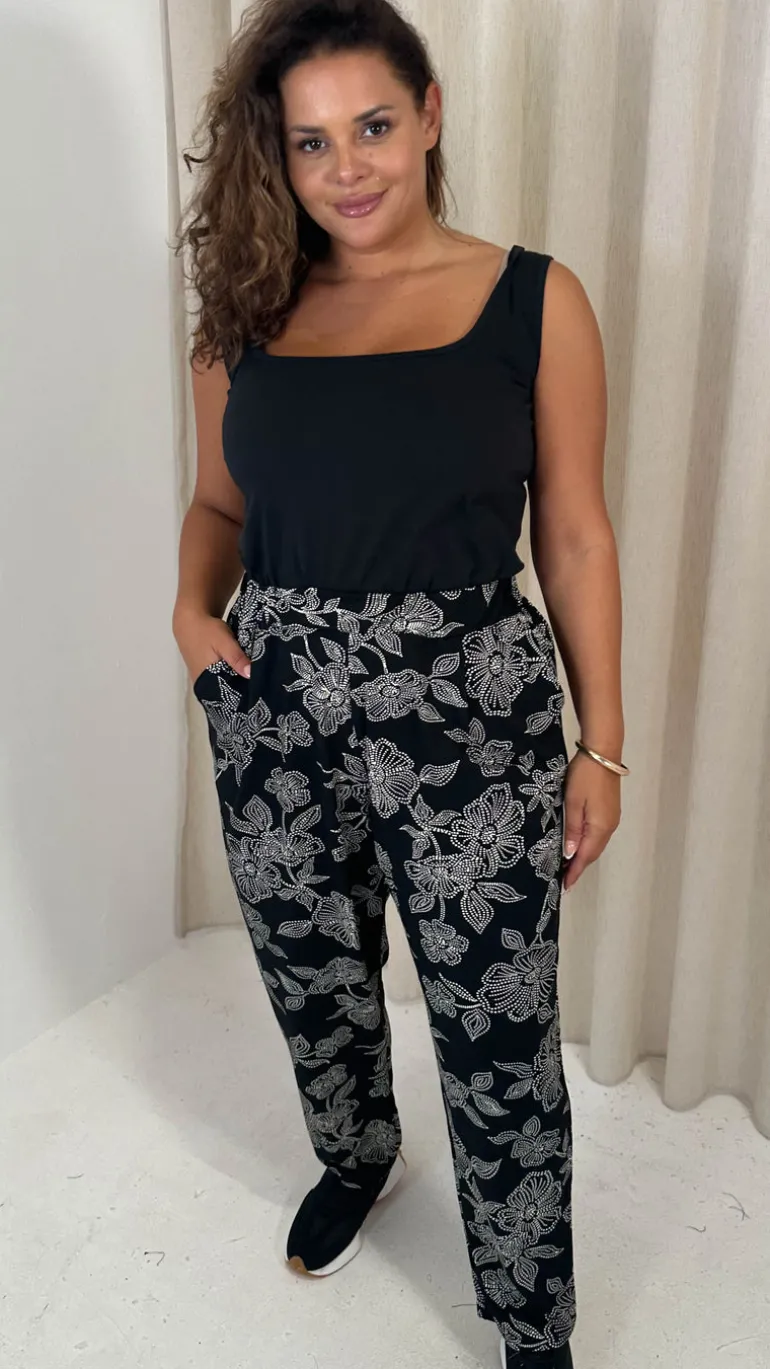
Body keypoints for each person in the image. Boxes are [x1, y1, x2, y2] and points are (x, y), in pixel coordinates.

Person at [172, 1, 627, 1365]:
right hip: (276, 703)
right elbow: (217, 505)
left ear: (428, 115)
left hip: (469, 709)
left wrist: (601, 744)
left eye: (371, 125)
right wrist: (190, 613)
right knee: (311, 974)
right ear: (277, 154)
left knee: (497, 1028)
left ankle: (532, 1319)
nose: (347, 166)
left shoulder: (534, 300)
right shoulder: (243, 311)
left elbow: (575, 533)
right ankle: (357, 1153)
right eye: (309, 141)